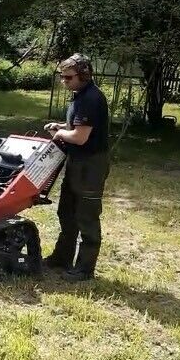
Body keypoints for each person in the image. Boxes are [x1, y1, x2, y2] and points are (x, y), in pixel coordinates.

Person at [42, 53, 110, 282]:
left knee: (86, 217)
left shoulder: (91, 98)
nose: (64, 81)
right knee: (66, 212)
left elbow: (80, 137)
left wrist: (61, 133)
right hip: (77, 162)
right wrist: (61, 125)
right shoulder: (79, 95)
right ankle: (62, 258)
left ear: (84, 75)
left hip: (90, 165)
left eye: (68, 77)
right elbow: (78, 125)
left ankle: (84, 269)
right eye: (62, 77)